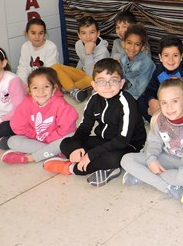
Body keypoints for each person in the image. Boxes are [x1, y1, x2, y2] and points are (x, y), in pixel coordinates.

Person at [44, 59, 144, 187]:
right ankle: (105, 167)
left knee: (113, 158)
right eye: (101, 81)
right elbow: (84, 128)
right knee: (66, 143)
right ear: (94, 85)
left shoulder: (127, 103)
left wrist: (91, 155)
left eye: (113, 81)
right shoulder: (94, 99)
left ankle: (72, 168)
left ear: (121, 83)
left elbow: (122, 140)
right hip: (103, 140)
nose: (107, 86)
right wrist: (76, 147)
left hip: (128, 145)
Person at [121, 77, 183, 200]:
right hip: (165, 158)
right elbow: (154, 143)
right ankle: (169, 188)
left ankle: (144, 176)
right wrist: (152, 160)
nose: (169, 108)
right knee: (126, 159)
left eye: (174, 101)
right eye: (164, 103)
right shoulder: (160, 118)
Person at [2, 67, 78, 164]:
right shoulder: (26, 104)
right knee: (12, 141)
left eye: (46, 87)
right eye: (35, 88)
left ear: (54, 89)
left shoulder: (61, 105)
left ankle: (29, 158)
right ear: (29, 90)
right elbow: (18, 125)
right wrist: (35, 136)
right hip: (38, 140)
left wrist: (49, 139)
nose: (40, 91)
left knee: (72, 136)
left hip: (57, 139)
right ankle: (56, 153)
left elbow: (67, 129)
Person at [138, 34, 183, 117]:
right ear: (160, 57)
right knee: (141, 101)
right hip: (166, 103)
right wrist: (151, 101)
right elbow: (150, 89)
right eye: (166, 55)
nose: (170, 60)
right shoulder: (159, 70)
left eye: (175, 55)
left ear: (181, 56)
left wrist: (163, 106)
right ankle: (160, 119)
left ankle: (163, 119)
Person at [52, 15, 109, 103]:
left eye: (92, 32)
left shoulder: (102, 50)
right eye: (83, 33)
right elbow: (81, 60)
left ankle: (69, 87)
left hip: (97, 77)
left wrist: (88, 53)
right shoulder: (78, 44)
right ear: (79, 35)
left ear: (98, 33)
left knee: (92, 78)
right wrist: (74, 75)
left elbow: (91, 73)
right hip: (83, 74)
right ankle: (74, 90)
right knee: (55, 67)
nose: (88, 37)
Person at [15, 18, 60, 84]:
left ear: (44, 34)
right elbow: (22, 68)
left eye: (40, 33)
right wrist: (23, 85)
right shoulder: (25, 46)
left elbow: (49, 72)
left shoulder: (51, 47)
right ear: (27, 33)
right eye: (33, 33)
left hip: (48, 81)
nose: (37, 37)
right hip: (31, 83)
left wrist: (37, 85)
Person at [120, 24, 155, 100]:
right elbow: (122, 79)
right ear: (123, 43)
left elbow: (139, 91)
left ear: (143, 47)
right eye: (129, 43)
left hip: (143, 96)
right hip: (126, 92)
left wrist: (120, 97)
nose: (132, 48)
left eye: (137, 44)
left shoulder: (146, 64)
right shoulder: (123, 57)